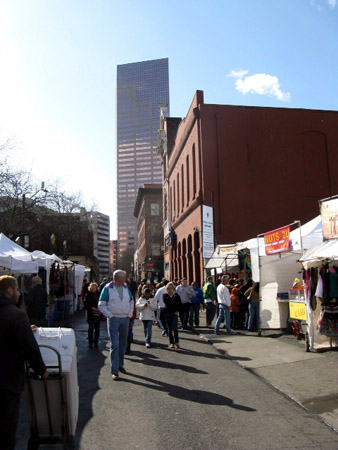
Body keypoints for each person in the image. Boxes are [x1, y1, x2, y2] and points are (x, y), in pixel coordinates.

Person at [0, 275, 48, 450]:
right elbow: (30, 348)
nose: (19, 293)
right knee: (6, 428)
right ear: (10, 291)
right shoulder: (16, 315)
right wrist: (42, 370)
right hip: (8, 380)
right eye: (17, 290)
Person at [98, 270, 134, 380]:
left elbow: (131, 301)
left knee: (123, 344)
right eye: (124, 277)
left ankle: (120, 365)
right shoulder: (107, 288)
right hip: (114, 319)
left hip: (125, 318)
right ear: (118, 278)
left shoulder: (125, 288)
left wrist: (130, 313)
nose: (125, 279)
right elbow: (101, 304)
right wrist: (109, 315)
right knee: (114, 344)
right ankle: (114, 371)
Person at [163, 282, 182, 349]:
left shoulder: (176, 296)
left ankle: (177, 342)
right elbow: (166, 302)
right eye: (168, 288)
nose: (170, 289)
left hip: (174, 313)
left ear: (173, 288)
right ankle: (171, 343)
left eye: (171, 288)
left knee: (175, 328)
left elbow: (179, 304)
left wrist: (177, 311)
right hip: (167, 313)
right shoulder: (165, 296)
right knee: (169, 329)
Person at [84, 282, 102, 349]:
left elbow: (102, 302)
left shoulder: (99, 294)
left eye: (94, 287)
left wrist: (99, 308)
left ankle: (96, 342)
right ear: (90, 288)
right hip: (90, 314)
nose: (93, 288)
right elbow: (85, 304)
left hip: (98, 314)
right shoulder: (87, 295)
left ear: (96, 288)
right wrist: (91, 308)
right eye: (92, 287)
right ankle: (90, 342)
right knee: (90, 328)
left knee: (97, 329)